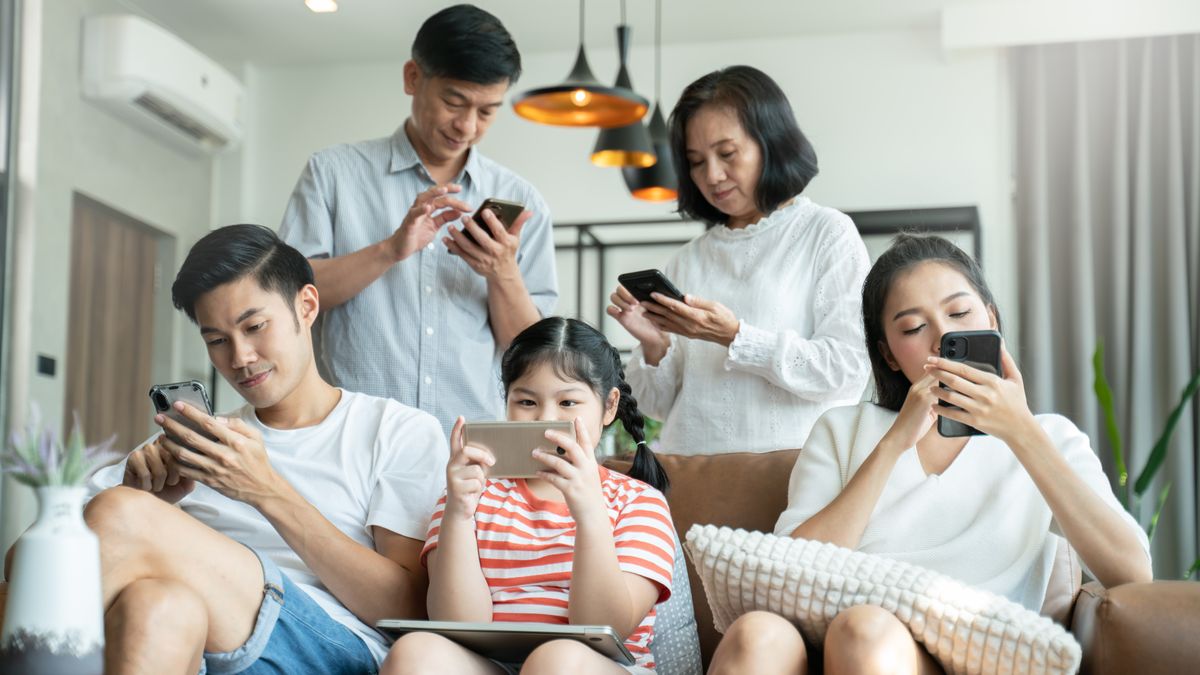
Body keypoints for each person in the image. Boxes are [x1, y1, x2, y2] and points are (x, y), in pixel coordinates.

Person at [707, 234, 1153, 675]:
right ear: (889, 354)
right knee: (756, 634)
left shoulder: (1050, 437)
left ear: (992, 321)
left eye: (960, 313)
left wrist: (1022, 432)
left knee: (865, 631)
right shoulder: (842, 429)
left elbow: (1132, 574)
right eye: (913, 328)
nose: (943, 338)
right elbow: (789, 573)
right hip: (843, 637)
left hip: (979, 648)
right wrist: (893, 444)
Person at [83, 225, 448, 674]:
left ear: (306, 306)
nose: (239, 357)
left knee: (121, 514)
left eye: (255, 327)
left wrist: (265, 490)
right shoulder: (196, 441)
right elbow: (27, 563)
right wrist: (148, 499)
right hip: (199, 646)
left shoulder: (397, 430)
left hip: (330, 648)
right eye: (216, 340)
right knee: (155, 604)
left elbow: (409, 609)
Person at [279, 4, 558, 435]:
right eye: (454, 101)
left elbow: (532, 355)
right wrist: (390, 250)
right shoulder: (332, 174)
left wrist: (502, 271)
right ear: (413, 77)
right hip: (351, 438)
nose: (466, 125)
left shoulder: (521, 200)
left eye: (487, 112)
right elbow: (289, 299)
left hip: (467, 443)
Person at [383, 317, 675, 675]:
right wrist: (458, 514)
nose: (546, 419)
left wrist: (589, 513)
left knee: (556, 662)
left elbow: (608, 626)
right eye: (526, 401)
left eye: (568, 403)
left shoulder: (638, 502)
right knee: (415, 652)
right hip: (495, 665)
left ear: (609, 407)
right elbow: (458, 622)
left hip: (594, 667)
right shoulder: (472, 492)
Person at [608, 65, 869, 456]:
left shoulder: (826, 233)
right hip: (693, 473)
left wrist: (734, 337)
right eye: (696, 162)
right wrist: (654, 344)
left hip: (795, 475)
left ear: (772, 143)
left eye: (727, 153)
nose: (712, 175)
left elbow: (846, 371)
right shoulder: (688, 259)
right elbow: (656, 406)